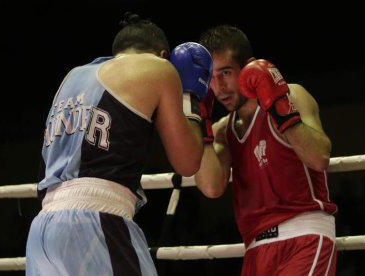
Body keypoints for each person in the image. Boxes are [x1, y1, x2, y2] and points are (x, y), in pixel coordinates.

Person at [25, 12, 213, 276]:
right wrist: (191, 98)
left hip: (42, 231)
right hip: (96, 222)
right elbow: (188, 161)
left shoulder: (71, 77)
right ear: (161, 54)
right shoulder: (159, 68)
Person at [195, 24, 338, 275]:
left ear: (248, 67)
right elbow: (211, 186)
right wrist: (201, 120)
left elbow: (320, 157)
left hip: (303, 237)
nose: (219, 87)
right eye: (211, 78)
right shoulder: (222, 130)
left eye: (226, 73)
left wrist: (279, 107)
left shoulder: (292, 94)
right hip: (255, 251)